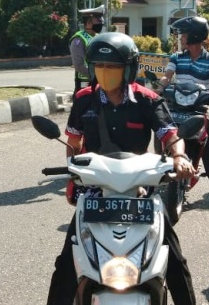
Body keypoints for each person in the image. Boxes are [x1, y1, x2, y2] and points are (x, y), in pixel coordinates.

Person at [48, 32, 197, 305]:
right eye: (100, 67)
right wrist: (74, 172)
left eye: (113, 67)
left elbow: (172, 136)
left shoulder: (147, 100)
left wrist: (180, 158)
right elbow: (73, 142)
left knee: (174, 259)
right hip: (95, 194)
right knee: (67, 264)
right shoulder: (84, 99)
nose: (105, 73)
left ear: (128, 69)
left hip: (140, 193)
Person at [160, 16, 209, 206]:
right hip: (176, 106)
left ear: (195, 36)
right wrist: (160, 87)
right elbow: (167, 77)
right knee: (163, 134)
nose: (181, 38)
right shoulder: (176, 57)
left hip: (198, 108)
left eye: (184, 34)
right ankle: (158, 177)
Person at [69, 5, 105, 97]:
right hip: (85, 82)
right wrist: (95, 76)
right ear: (88, 23)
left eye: (101, 19)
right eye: (98, 19)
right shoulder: (79, 39)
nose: (101, 21)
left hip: (99, 81)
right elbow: (79, 65)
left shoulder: (98, 37)